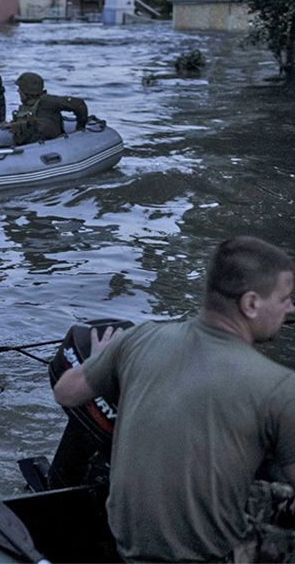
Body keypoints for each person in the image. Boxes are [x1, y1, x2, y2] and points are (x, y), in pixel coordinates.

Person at [54, 236, 295, 562]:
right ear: (251, 304)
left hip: (128, 547)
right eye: (285, 298)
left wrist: (102, 358)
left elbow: (65, 391)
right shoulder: (279, 386)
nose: (290, 308)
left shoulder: (140, 338)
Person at [2, 72, 88, 145]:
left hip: (48, 144)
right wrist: (12, 125)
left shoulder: (47, 101)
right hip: (29, 145)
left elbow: (79, 104)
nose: (18, 91)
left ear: (28, 91)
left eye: (20, 89)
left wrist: (80, 130)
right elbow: (29, 123)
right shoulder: (27, 105)